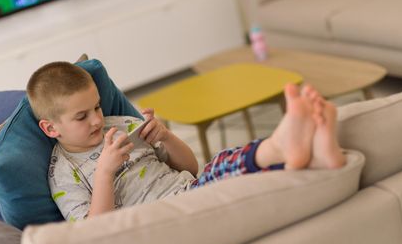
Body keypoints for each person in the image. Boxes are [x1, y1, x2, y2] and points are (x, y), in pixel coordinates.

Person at [26, 62, 346, 222]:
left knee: (224, 162)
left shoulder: (120, 124)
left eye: (97, 106)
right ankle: (280, 145)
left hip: (191, 188)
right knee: (225, 170)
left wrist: (165, 136)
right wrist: (105, 173)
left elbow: (190, 166)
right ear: (51, 128)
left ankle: (316, 157)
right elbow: (93, 232)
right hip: (164, 218)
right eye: (81, 117)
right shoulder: (64, 173)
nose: (97, 119)